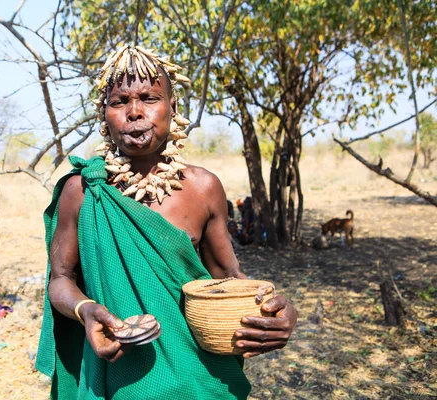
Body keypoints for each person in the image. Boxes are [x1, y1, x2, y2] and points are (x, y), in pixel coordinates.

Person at [36, 46, 297, 399]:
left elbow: (229, 279)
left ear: (172, 108)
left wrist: (276, 310)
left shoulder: (203, 188)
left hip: (198, 381)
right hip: (119, 381)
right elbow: (61, 280)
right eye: (119, 101)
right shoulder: (81, 192)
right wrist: (86, 310)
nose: (134, 112)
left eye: (149, 97)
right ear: (104, 114)